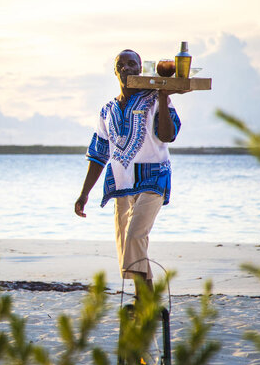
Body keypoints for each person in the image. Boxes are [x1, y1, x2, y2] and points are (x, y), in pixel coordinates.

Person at [74, 49, 187, 295]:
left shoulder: (155, 100)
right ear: (115, 71)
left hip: (153, 177)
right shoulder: (107, 110)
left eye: (131, 63)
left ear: (140, 69)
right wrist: (84, 194)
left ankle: (145, 299)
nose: (126, 68)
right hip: (121, 183)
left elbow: (168, 136)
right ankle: (145, 299)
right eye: (121, 65)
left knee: (136, 236)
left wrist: (164, 98)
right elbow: (98, 154)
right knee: (127, 246)